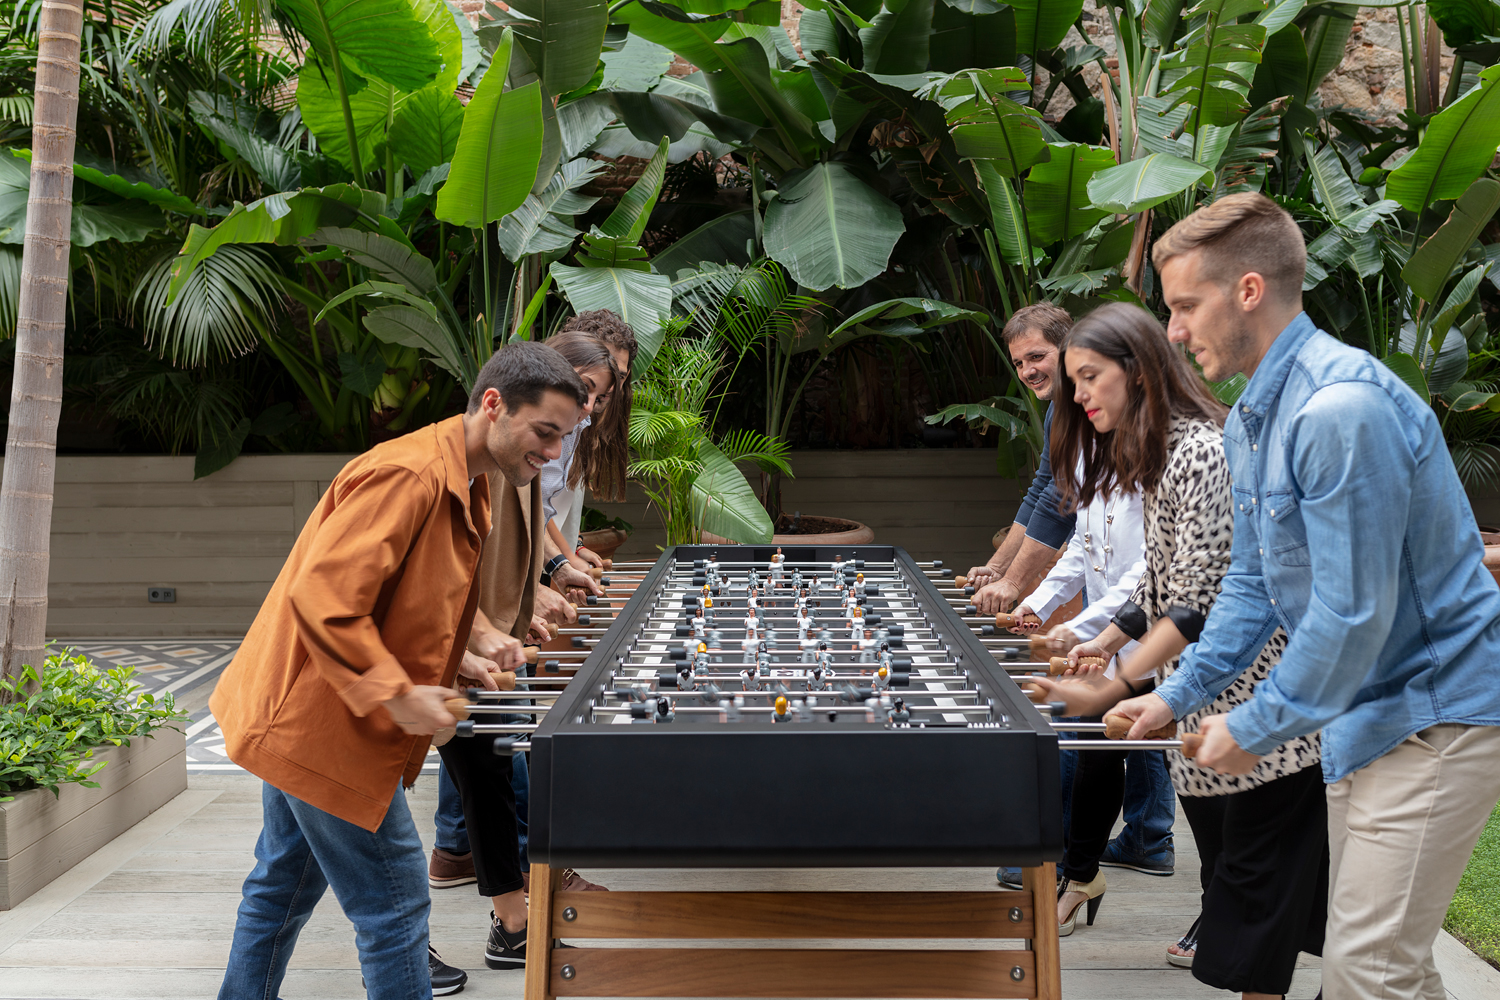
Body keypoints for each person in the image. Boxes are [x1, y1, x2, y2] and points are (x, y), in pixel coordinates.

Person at [1107, 193, 1500, 1000]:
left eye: (1185, 305)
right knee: (1391, 966)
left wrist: (1255, 727)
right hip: (1362, 722)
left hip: (1433, 717)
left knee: (1367, 970)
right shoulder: (1255, 415)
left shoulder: (1340, 411)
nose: (1172, 332)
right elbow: (1252, 586)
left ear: (1248, 290)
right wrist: (1175, 695)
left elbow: (1352, 616)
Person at [210, 342, 587, 1000]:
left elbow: (415, 591)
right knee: (395, 907)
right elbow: (324, 600)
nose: (553, 453)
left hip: (309, 722)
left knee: (280, 891)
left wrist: (478, 642)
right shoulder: (408, 475)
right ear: (493, 405)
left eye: (563, 437)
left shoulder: (469, 478)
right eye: (545, 432)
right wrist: (399, 695)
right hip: (322, 728)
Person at [1028, 303, 1325, 1000]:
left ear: (1137, 371)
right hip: (1200, 708)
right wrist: (1107, 646)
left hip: (1259, 717)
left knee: (1255, 911)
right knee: (1242, 895)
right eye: (1074, 382)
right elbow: (1158, 584)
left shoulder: (1202, 452)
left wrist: (1116, 684)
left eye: (1091, 376)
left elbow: (1195, 605)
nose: (1079, 395)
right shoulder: (1156, 457)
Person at [966, 303, 1075, 615]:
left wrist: (1013, 581)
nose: (1027, 371)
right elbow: (1044, 487)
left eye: (1037, 357)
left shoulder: (1085, 404)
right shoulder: (1058, 408)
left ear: (1069, 348)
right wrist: (997, 568)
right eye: (1019, 363)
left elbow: (1062, 496)